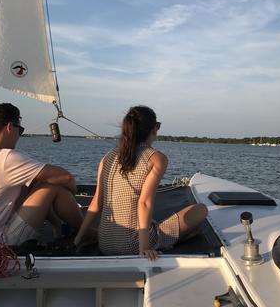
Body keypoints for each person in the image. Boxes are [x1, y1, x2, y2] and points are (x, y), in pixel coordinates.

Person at [74, 106, 207, 260]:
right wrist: (144, 248)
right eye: (157, 125)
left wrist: (78, 239)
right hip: (132, 245)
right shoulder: (157, 158)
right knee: (201, 210)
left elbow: (96, 204)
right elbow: (144, 203)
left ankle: (170, 237)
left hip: (105, 243)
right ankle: (169, 239)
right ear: (153, 128)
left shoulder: (107, 158)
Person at [0, 103, 84, 246]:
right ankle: (84, 232)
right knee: (52, 186)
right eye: (21, 130)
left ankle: (58, 227)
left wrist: (55, 222)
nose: (19, 136)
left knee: (33, 182)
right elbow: (66, 178)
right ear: (10, 127)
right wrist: (71, 195)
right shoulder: (6, 158)